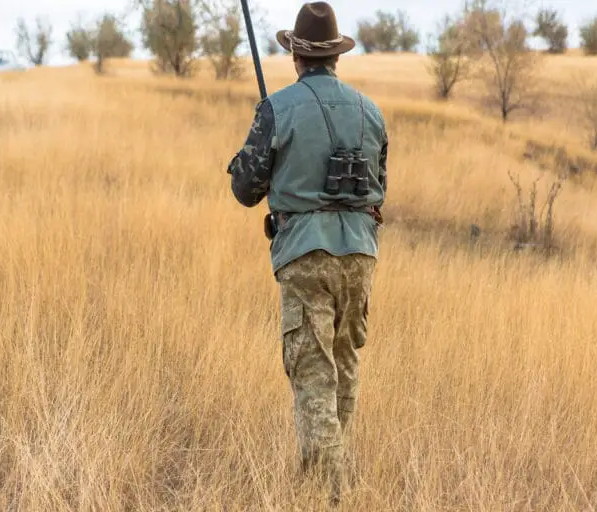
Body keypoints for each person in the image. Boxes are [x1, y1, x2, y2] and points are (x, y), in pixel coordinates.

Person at [226, 1, 388, 505]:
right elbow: (379, 190)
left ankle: (326, 496)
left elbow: (245, 189)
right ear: (335, 56)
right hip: (361, 254)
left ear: (296, 55)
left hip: (305, 255)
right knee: (343, 364)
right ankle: (336, 475)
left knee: (313, 373)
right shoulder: (371, 112)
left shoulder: (278, 107)